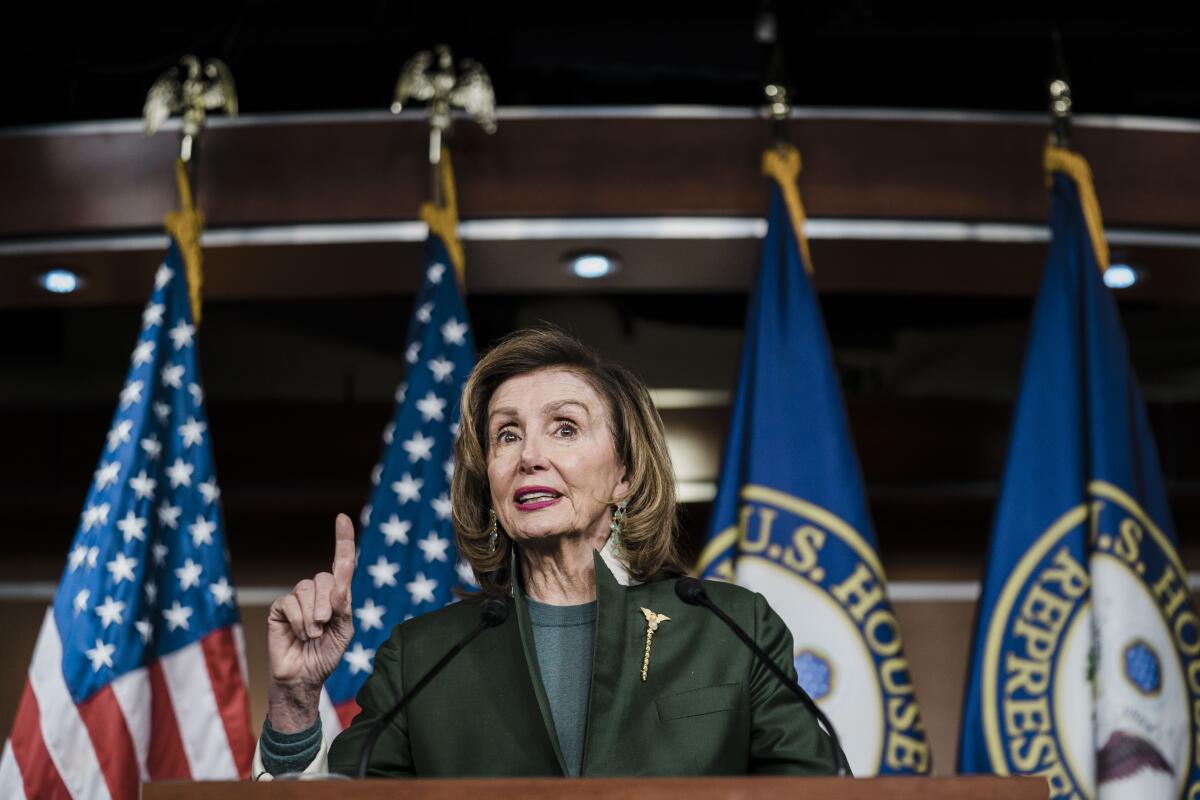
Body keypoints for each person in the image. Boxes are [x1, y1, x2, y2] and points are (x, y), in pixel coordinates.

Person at [253, 328, 838, 779]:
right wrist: (296, 701)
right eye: (507, 435)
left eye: (564, 428)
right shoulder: (423, 657)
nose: (529, 455)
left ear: (625, 476)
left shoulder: (731, 627)